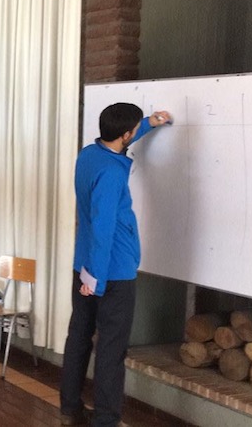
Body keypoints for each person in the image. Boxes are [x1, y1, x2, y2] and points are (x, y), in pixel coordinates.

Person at [59, 104, 172, 427]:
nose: (135, 132)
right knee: (111, 348)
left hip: (83, 264)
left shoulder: (89, 154)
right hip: (111, 272)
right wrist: (96, 279)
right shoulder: (111, 173)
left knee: (79, 337)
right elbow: (104, 226)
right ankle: (106, 420)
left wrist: (149, 123)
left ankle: (69, 408)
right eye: (134, 129)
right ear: (125, 135)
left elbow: (122, 139)